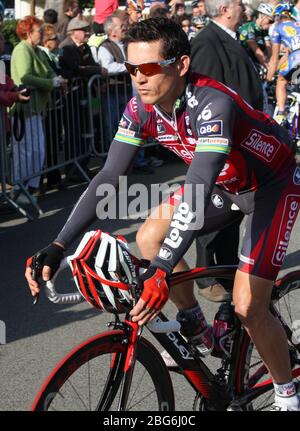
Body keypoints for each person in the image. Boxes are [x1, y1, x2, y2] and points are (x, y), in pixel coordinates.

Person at [25, 17, 300, 411]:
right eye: (132, 69)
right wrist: (56, 244)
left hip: (271, 186)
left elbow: (199, 182)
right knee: (149, 235)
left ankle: (288, 395)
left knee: (247, 305)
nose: (138, 78)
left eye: (150, 68)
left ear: (181, 65)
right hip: (226, 186)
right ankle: (197, 326)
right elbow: (108, 176)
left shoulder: (213, 103)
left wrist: (160, 271)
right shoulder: (141, 107)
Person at [190, 0, 264, 302]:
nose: (243, 7)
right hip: (224, 141)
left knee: (232, 210)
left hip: (242, 141)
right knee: (213, 206)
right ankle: (207, 275)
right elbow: (208, 95)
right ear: (224, 10)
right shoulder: (207, 42)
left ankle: (226, 269)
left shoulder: (230, 36)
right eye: (237, 2)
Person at [10, 16, 66, 197]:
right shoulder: (22, 50)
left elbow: (49, 71)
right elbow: (25, 77)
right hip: (24, 109)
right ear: (28, 33)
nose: (42, 33)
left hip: (37, 108)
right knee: (25, 152)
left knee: (37, 151)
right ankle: (21, 188)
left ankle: (31, 186)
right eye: (38, 31)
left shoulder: (38, 51)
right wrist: (51, 83)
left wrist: (57, 79)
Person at [97, 11, 132, 140]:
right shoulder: (105, 47)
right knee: (113, 127)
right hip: (112, 93)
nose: (125, 28)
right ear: (111, 31)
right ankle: (114, 158)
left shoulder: (128, 44)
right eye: (121, 26)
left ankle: (138, 159)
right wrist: (129, 67)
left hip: (128, 90)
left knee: (132, 126)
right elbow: (107, 68)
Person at [267, 3, 300, 125]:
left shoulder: (278, 28)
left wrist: (269, 78)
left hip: (296, 58)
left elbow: (275, 58)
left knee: (281, 81)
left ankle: (281, 113)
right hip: (294, 56)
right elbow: (287, 54)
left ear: (278, 16)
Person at [239, 2, 274, 70]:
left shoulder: (264, 30)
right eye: (270, 21)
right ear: (262, 16)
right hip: (245, 62)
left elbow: (269, 49)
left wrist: (271, 63)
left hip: (255, 61)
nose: (271, 25)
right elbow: (256, 50)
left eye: (273, 22)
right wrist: (268, 68)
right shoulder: (249, 28)